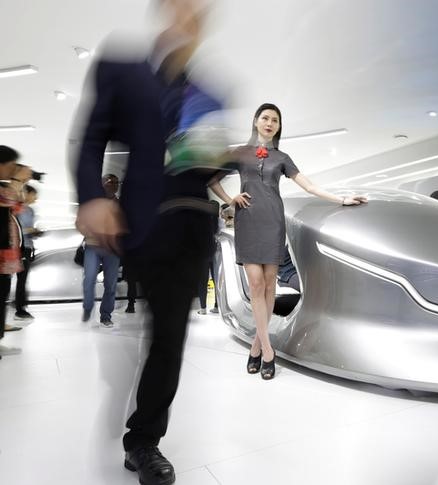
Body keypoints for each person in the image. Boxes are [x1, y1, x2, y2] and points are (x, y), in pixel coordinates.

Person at [72, 1, 222, 483]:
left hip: (194, 225)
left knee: (170, 336)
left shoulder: (208, 93)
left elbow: (203, 164)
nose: (191, 15)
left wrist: (227, 156)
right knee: (158, 334)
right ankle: (134, 418)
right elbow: (91, 137)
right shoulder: (123, 67)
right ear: (164, 10)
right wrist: (92, 196)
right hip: (143, 224)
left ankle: (142, 441)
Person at [209, 103, 367, 380]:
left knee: (270, 286)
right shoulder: (241, 153)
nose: (270, 123)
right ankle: (268, 350)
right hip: (247, 222)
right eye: (266, 118)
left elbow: (308, 185)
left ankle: (256, 347)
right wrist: (229, 199)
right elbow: (212, 178)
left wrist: (341, 199)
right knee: (256, 284)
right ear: (256, 121)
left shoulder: (282, 157)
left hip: (273, 222)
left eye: (275, 120)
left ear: (278, 127)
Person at [81, 173, 121, 327]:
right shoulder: (92, 202)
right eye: (110, 182)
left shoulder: (120, 205)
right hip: (93, 245)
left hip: (112, 248)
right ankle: (88, 306)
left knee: (110, 284)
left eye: (116, 182)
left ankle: (106, 315)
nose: (114, 185)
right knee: (89, 279)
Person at [0, 147, 29, 358]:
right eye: (11, 165)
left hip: (5, 252)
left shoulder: (4, 186)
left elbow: (17, 205)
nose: (14, 169)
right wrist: (18, 182)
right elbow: (7, 199)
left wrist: (20, 185)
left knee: (2, 296)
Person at [14, 185, 41, 321]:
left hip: (28, 247)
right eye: (34, 194)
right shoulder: (16, 209)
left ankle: (20, 307)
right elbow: (18, 230)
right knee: (20, 279)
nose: (36, 198)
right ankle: (19, 310)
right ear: (27, 193)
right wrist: (31, 230)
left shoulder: (30, 210)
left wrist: (35, 233)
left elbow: (29, 231)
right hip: (18, 248)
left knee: (23, 279)